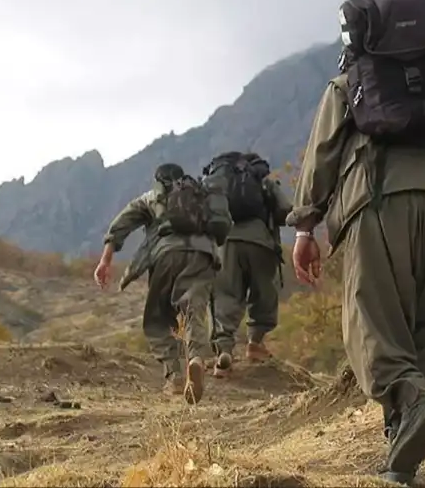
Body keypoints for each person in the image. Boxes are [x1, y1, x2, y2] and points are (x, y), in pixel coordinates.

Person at [288, 0, 425, 484]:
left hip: (378, 204)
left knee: (373, 320)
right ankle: (404, 450)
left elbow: (322, 158)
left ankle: (408, 397)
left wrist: (305, 227)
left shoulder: (349, 84)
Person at [93, 163, 227, 404]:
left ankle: (174, 375)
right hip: (203, 254)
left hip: (167, 254)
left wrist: (105, 260)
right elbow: (223, 226)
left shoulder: (152, 197)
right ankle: (196, 358)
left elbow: (120, 225)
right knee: (194, 309)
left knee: (158, 318)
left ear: (158, 180)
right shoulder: (201, 194)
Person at [206, 152, 293, 377]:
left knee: (226, 295)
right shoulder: (264, 182)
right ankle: (255, 343)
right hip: (260, 243)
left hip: (226, 244)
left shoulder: (223, 184)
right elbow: (285, 210)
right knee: (263, 293)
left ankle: (223, 352)